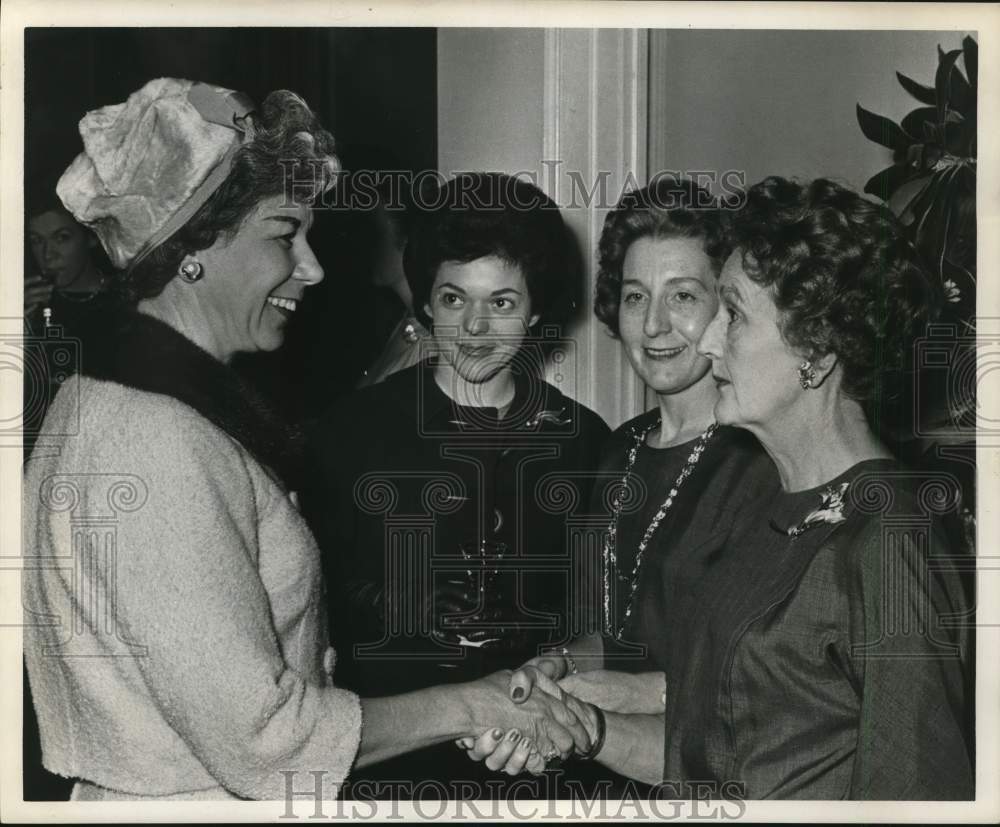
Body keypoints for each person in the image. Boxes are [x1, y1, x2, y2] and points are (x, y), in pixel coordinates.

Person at [22, 78, 597, 803]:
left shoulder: (146, 408)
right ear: (195, 244)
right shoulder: (150, 438)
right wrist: (477, 704)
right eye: (283, 234)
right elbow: (266, 741)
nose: (313, 266)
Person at [470, 176, 974, 799]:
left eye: (731, 314)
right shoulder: (778, 508)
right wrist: (581, 725)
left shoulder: (892, 537)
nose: (707, 342)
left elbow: (919, 792)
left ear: (816, 347)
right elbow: (717, 749)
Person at [457, 177, 775, 786]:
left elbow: (765, 687)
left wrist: (599, 704)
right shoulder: (616, 450)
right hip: (600, 773)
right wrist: (558, 666)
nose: (654, 325)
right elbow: (618, 631)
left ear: (726, 309)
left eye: (682, 296)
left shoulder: (761, 462)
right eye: (635, 297)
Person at [301, 171, 611, 793]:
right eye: (453, 298)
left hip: (540, 768)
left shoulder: (584, 443)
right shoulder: (347, 434)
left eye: (502, 302)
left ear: (536, 310)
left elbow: (602, 626)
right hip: (385, 772)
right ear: (424, 303)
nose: (474, 328)